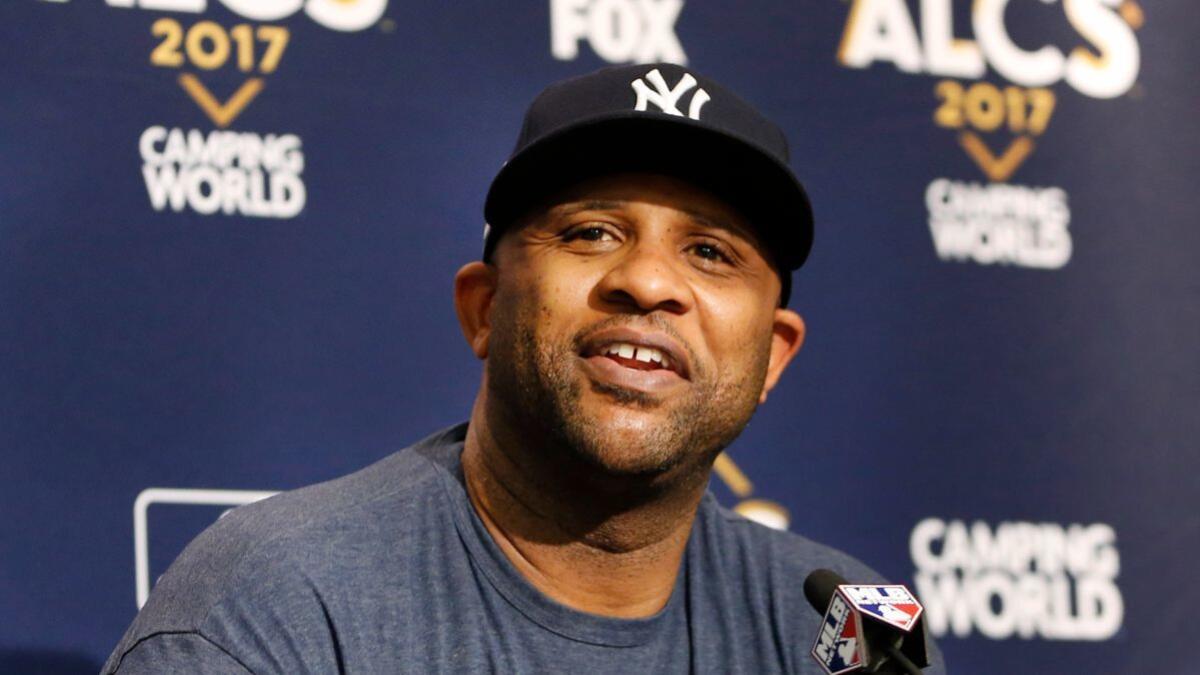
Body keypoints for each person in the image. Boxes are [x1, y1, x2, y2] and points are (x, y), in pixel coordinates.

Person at [103, 64, 946, 674]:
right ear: (483, 307)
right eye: (590, 233)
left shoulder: (855, 630)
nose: (647, 280)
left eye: (709, 251)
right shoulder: (280, 598)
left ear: (773, 355)